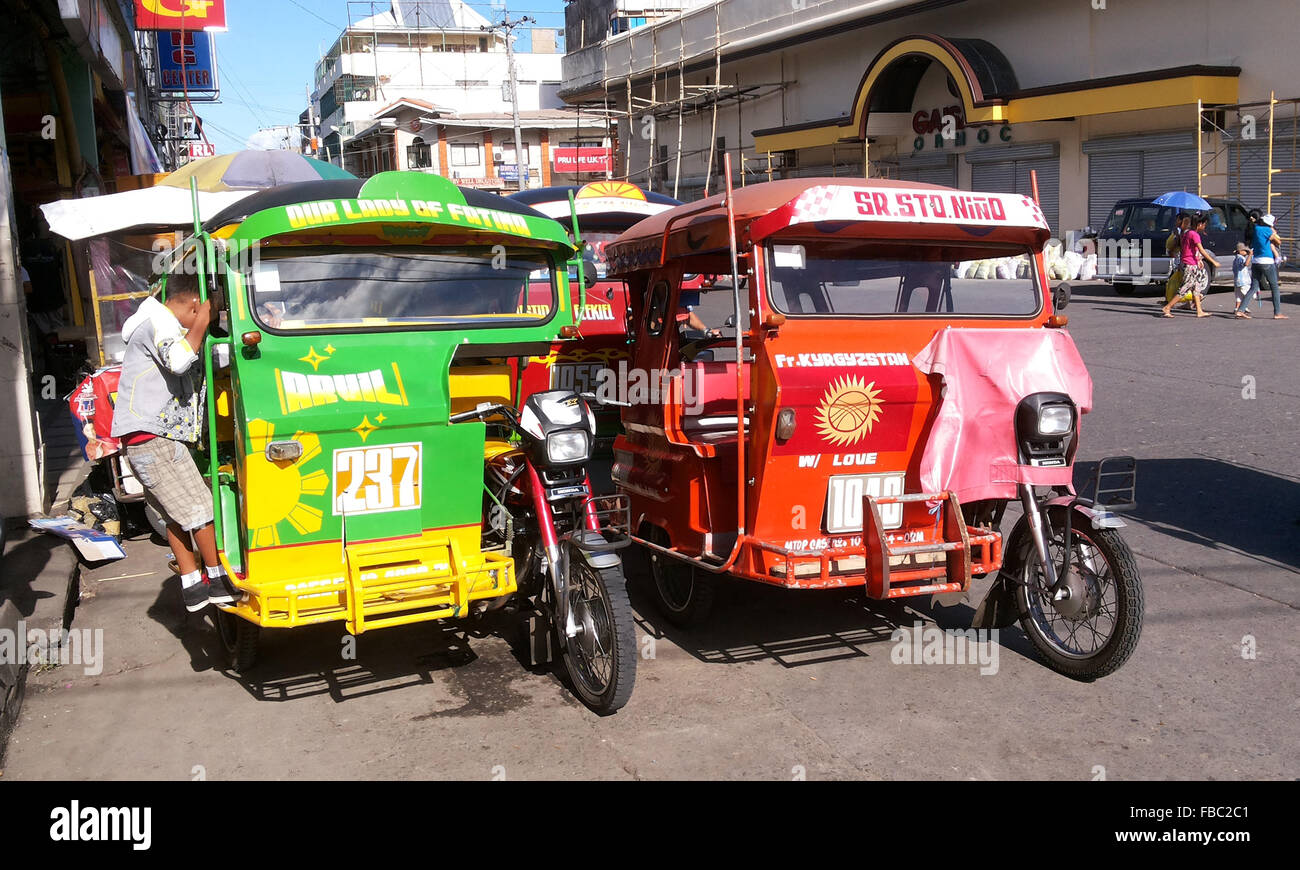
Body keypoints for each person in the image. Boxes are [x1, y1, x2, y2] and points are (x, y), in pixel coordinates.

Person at [110, 268, 241, 613]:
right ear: (195, 305)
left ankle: (192, 585)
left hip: (143, 438)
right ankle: (216, 578)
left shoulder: (153, 322)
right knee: (201, 509)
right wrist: (203, 321)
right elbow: (181, 360)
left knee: (175, 515)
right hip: (155, 436)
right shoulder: (160, 322)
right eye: (202, 313)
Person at [1161, 213, 1217, 318]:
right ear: (1199, 224)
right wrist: (1213, 261)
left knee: (1197, 288)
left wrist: (1198, 260)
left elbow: (1191, 249)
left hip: (1190, 262)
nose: (1204, 226)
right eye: (1204, 224)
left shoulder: (1186, 233)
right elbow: (1201, 250)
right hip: (1190, 264)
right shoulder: (1194, 235)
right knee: (1185, 288)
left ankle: (1199, 311)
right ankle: (1167, 307)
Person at [1240, 212, 1287, 319]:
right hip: (1266, 261)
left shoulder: (1256, 229)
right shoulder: (1267, 230)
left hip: (1256, 261)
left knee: (1253, 287)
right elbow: (1278, 241)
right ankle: (1277, 312)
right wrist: (1273, 230)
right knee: (1274, 286)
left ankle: (1241, 310)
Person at [1164, 212, 1190, 305]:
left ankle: (1169, 304)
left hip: (1181, 258)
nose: (1176, 221)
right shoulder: (1179, 230)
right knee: (1178, 280)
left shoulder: (1182, 232)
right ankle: (1169, 300)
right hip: (1178, 258)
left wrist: (1176, 238)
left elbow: (1179, 244)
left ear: (1182, 221)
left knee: (1184, 281)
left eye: (1178, 219)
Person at [1232, 242, 1253, 318]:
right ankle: (1242, 308)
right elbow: (1246, 264)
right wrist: (1250, 255)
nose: (1246, 253)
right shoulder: (1240, 258)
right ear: (1240, 251)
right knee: (1247, 294)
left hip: (1237, 280)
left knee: (1239, 296)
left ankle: (1237, 308)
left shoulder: (1236, 259)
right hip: (1243, 281)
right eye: (1245, 251)